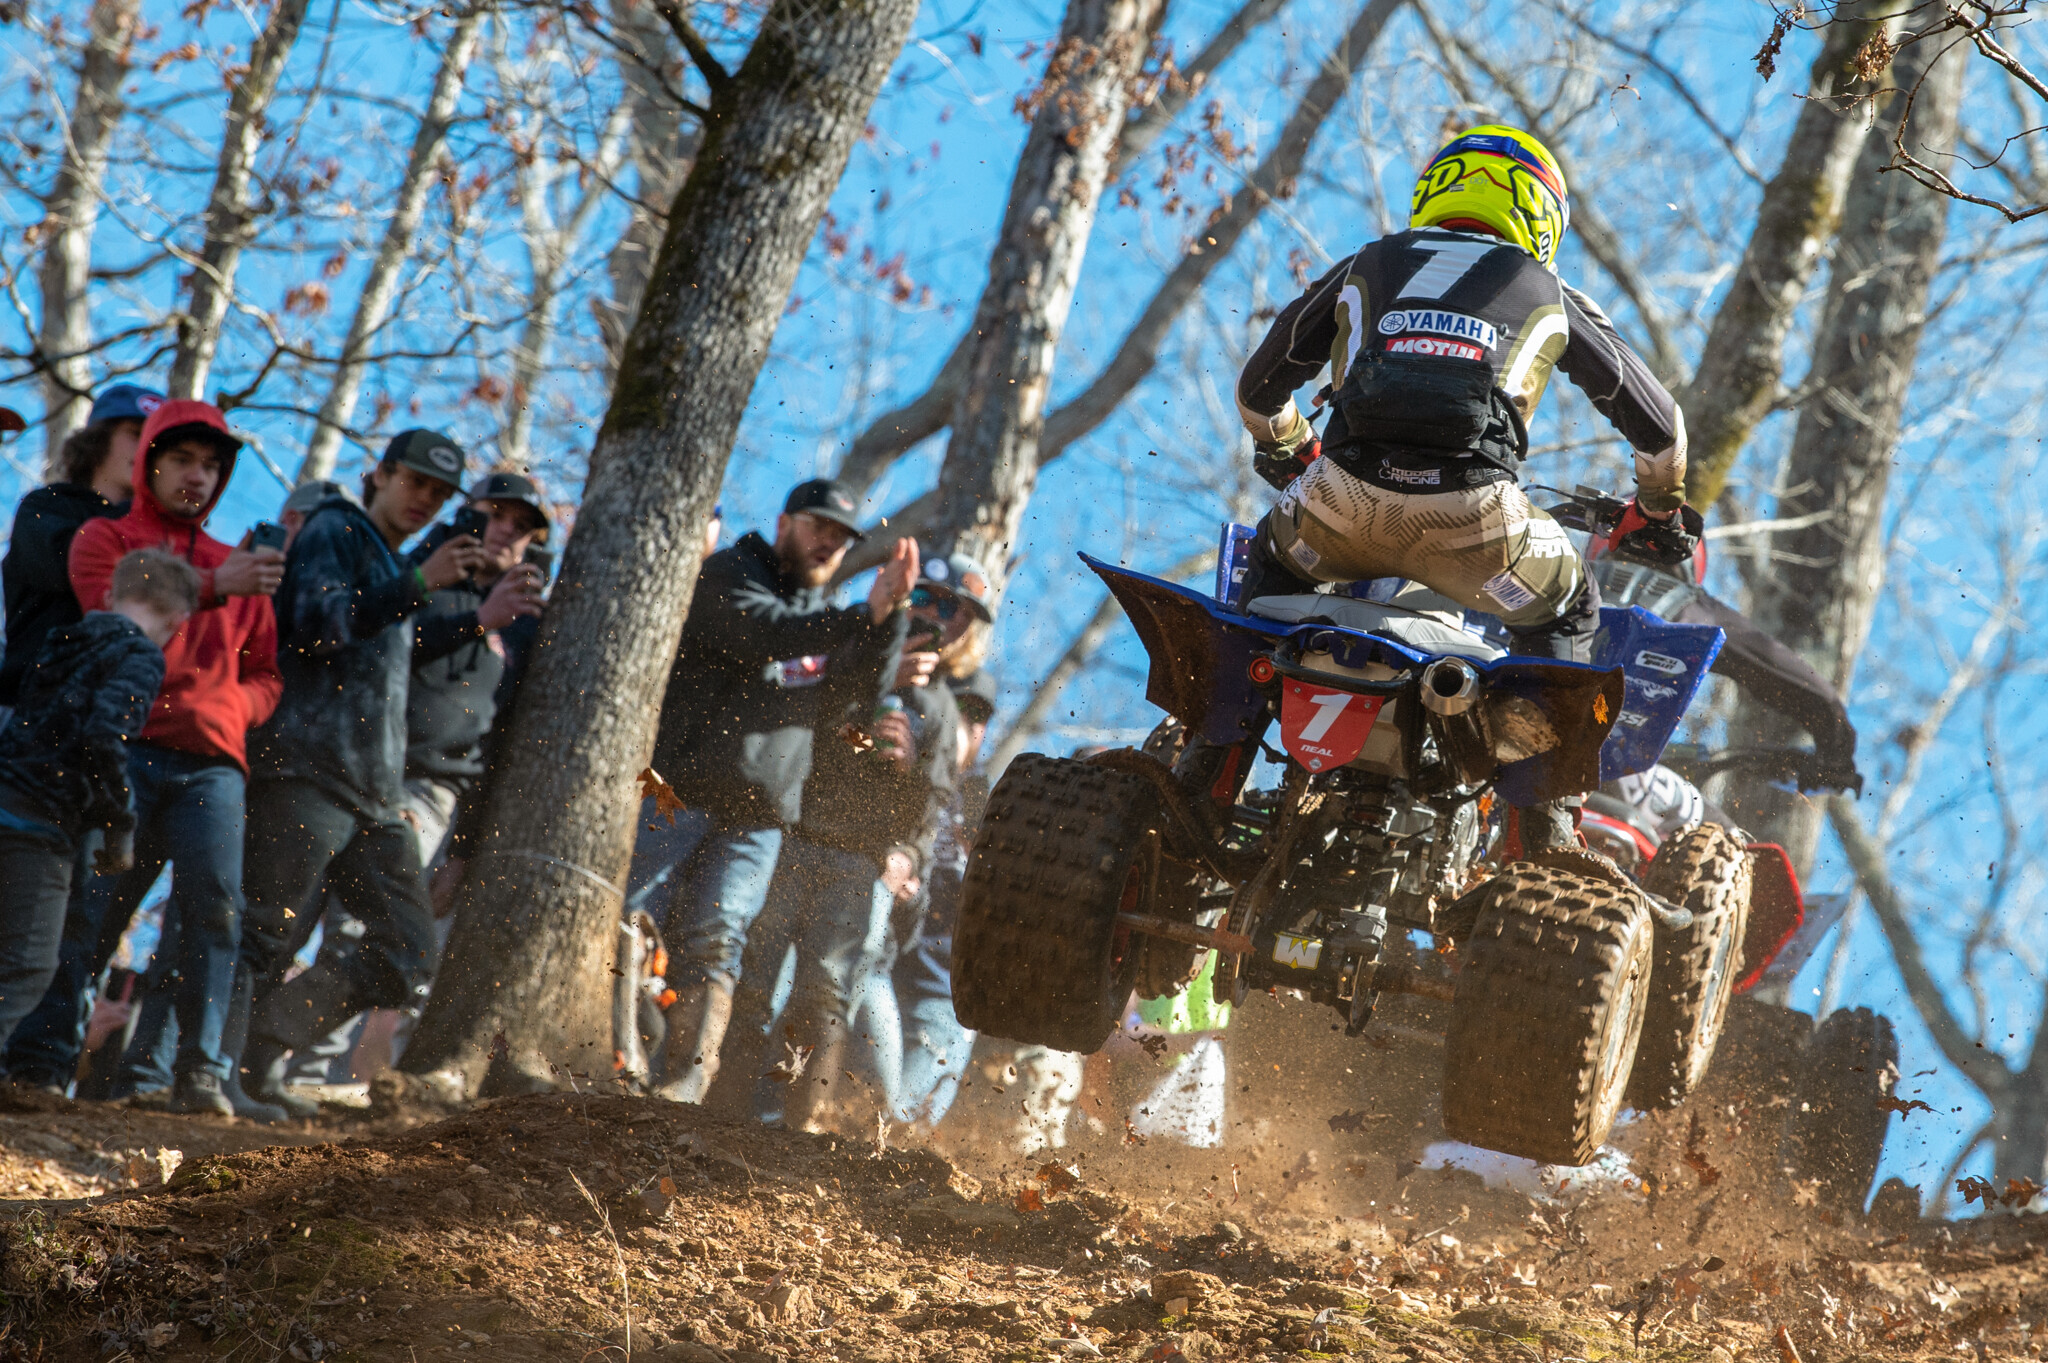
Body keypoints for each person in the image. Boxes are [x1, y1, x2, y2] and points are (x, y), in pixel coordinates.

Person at [1231, 125, 1697, 850]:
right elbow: (1662, 429)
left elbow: (1258, 393)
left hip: (1338, 506)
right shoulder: (1548, 289)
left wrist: (1294, 447)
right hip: (1479, 526)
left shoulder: (1369, 261)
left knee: (1262, 574)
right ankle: (1543, 832)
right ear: (1542, 217)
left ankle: (1210, 761)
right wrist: (1658, 510)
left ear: (1433, 191)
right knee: (1570, 608)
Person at [2, 400, 285, 1114]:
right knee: (86, 913)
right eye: (182, 459)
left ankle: (199, 1074)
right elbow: (113, 617)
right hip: (122, 749)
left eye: (212, 466)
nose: (197, 476)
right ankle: (40, 1069)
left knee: (215, 912)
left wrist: (230, 709)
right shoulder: (105, 536)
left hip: (212, 763)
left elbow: (267, 674)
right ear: (148, 460)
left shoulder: (239, 567)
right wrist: (217, 589)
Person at [638, 478, 920, 1104]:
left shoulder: (825, 618)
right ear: (785, 522)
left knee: (718, 942)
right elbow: (763, 633)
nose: (829, 543)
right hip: (678, 795)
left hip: (760, 817)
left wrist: (892, 616)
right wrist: (861, 616)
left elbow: (858, 696)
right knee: (637, 926)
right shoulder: (731, 572)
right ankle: (612, 1065)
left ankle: (682, 1090)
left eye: (841, 537)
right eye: (819, 526)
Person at [236, 429, 483, 1115]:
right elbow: (318, 624)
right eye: (415, 482)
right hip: (305, 771)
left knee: (408, 951)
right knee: (264, 932)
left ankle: (263, 1046)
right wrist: (419, 584)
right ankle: (217, 1076)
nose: (424, 500)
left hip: (375, 795)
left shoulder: (393, 562)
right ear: (380, 474)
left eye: (439, 493)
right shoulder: (334, 528)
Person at [713, 549, 993, 1131]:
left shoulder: (942, 709)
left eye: (953, 611)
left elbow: (930, 814)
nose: (935, 617)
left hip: (858, 865)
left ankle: (798, 1126)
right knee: (758, 982)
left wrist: (909, 776)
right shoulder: (848, 651)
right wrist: (875, 681)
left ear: (963, 628)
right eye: (924, 599)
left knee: (827, 994)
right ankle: (723, 1109)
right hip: (792, 838)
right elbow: (798, 726)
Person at [0, 549, 193, 1055]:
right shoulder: (142, 656)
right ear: (178, 620)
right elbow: (104, 737)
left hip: (8, 789)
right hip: (44, 820)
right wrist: (118, 821)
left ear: (109, 595)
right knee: (25, 967)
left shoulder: (62, 639)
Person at [0, 384, 162, 723]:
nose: (146, 449)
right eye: (136, 434)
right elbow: (68, 567)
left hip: (127, 718)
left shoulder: (165, 533)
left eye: (157, 443)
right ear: (98, 439)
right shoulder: (48, 506)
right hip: (31, 707)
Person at [887, 665, 995, 1131]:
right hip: (890, 958)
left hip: (944, 982)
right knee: (871, 1103)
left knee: (914, 1113)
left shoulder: (984, 796)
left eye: (981, 716)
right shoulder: (905, 768)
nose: (970, 724)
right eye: (961, 708)